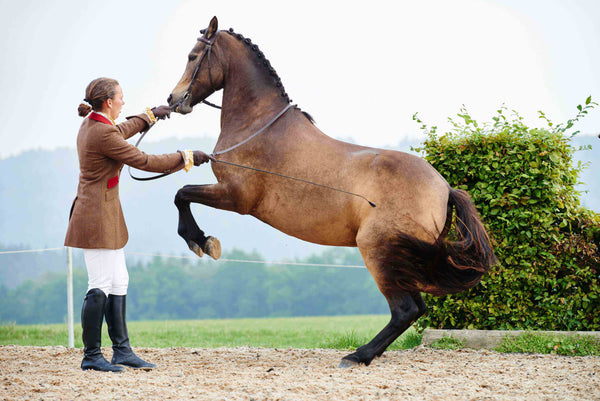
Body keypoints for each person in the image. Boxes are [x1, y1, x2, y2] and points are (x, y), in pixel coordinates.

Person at [65, 77, 210, 372]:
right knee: (99, 285)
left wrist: (151, 115)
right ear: (108, 102)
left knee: (119, 281)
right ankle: (91, 356)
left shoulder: (98, 124)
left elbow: (121, 129)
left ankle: (122, 351)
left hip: (104, 215)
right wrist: (187, 157)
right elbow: (143, 160)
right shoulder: (100, 133)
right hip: (95, 218)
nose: (123, 102)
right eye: (121, 98)